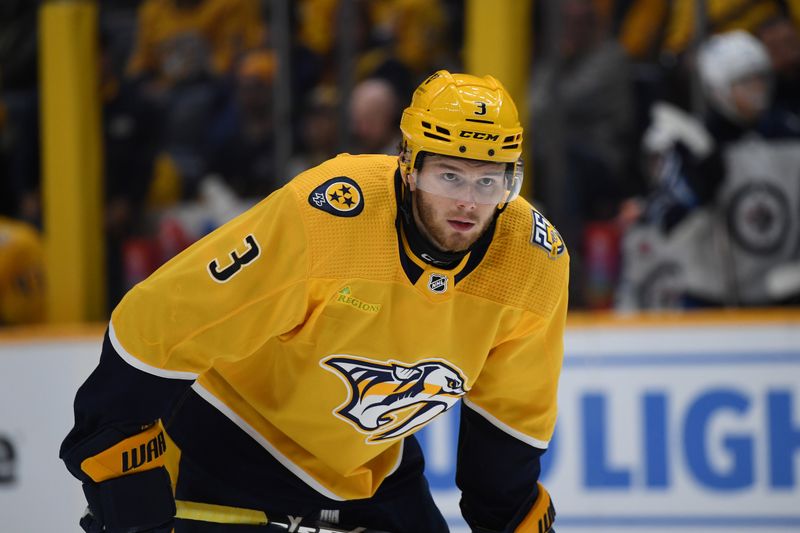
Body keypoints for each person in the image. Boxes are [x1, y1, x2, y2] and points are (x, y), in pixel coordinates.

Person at [60, 71, 568, 533]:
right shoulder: (328, 217)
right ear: (409, 166)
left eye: (489, 180)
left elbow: (509, 427)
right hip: (227, 448)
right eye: (449, 176)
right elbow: (160, 320)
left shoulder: (532, 263)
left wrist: (510, 517)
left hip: (373, 476)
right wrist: (118, 458)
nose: (468, 203)